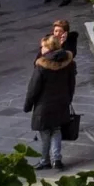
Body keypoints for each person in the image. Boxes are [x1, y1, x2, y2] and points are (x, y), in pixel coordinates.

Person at [23, 35, 77, 170]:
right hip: (61, 102)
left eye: (43, 46)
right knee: (57, 129)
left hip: (44, 104)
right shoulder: (68, 62)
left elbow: (33, 88)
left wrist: (27, 105)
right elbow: (72, 83)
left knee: (45, 132)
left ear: (49, 48)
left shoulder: (41, 66)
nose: (41, 49)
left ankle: (45, 160)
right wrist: (68, 98)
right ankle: (57, 159)